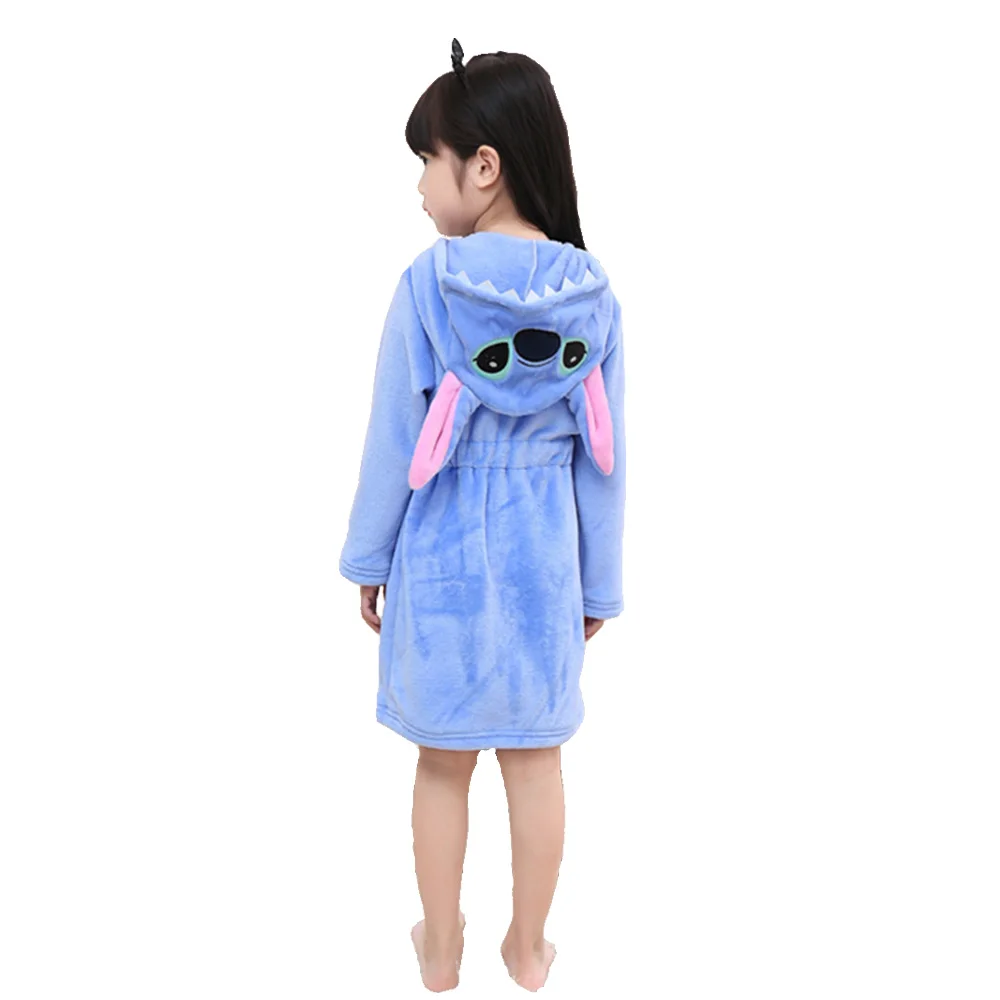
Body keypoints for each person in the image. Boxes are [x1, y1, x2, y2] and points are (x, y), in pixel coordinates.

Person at [338, 39, 626, 993]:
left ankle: (440, 949)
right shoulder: (592, 296)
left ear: (484, 166)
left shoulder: (430, 285)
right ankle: (529, 949)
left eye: (429, 160)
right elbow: (607, 461)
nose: (422, 186)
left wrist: (369, 560)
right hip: (546, 563)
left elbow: (393, 437)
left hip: (444, 560)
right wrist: (597, 585)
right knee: (537, 763)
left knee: (442, 766)